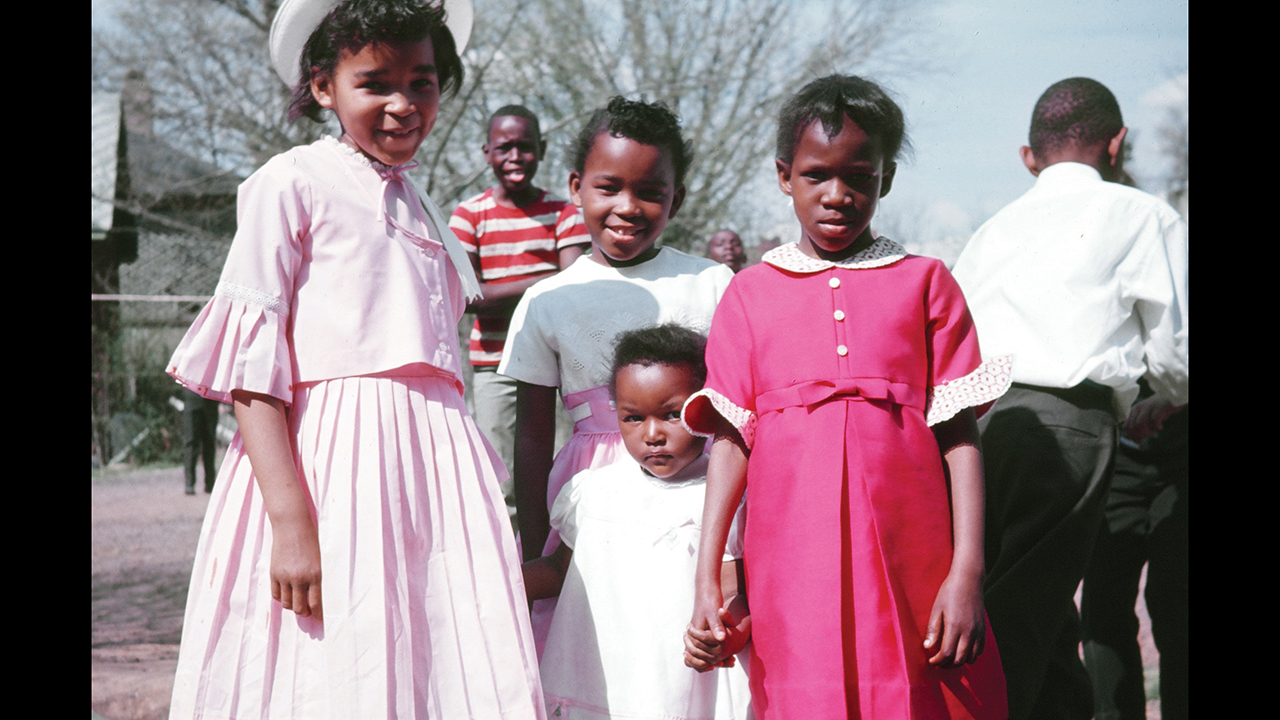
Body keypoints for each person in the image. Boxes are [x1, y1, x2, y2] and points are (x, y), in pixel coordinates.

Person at [163, 1, 545, 717]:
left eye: (423, 82)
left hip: (431, 470)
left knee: (433, 657)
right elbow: (254, 372)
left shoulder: (427, 206)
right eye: (375, 83)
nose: (404, 104)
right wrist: (291, 521)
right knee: (337, 660)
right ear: (321, 87)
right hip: (330, 468)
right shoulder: (293, 181)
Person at [684, 74, 1010, 719]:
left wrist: (965, 572)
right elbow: (729, 443)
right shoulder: (749, 293)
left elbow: (960, 436)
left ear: (885, 179)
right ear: (785, 176)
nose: (838, 196)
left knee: (926, 692)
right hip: (790, 557)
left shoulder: (925, 283)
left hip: (913, 551)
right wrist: (706, 577)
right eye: (815, 176)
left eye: (860, 176)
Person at [950, 77, 1188, 720]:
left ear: (1030, 155)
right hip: (1068, 426)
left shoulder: (994, 230)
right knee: (1023, 613)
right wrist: (1164, 396)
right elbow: (1176, 349)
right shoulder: (1141, 214)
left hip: (981, 429)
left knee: (1044, 609)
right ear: (1117, 144)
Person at [498, 96, 735, 654]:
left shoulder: (713, 283)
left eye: (650, 192)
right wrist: (535, 543)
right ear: (577, 186)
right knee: (595, 639)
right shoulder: (546, 299)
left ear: (675, 198)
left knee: (675, 631)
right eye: (609, 188)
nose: (628, 207)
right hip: (587, 500)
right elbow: (531, 435)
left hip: (692, 486)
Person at [522, 324, 752, 719]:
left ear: (705, 408)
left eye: (672, 416)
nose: (652, 434)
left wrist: (728, 637)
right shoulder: (593, 490)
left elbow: (737, 596)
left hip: (681, 681)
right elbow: (560, 571)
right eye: (632, 418)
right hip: (600, 678)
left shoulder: (722, 498)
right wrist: (490, 581)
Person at [449, 104, 591, 534]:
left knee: (571, 460)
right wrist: (547, 280)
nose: (515, 156)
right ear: (486, 152)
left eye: (525, 147)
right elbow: (469, 294)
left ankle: (557, 557)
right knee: (503, 473)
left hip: (558, 358)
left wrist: (507, 290)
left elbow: (573, 286)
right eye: (504, 147)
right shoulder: (470, 214)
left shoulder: (563, 212)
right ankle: (513, 570)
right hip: (495, 360)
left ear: (542, 151)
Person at [1080, 387, 1188, 720]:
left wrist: (1176, 390)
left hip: (1183, 454)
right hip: (1116, 450)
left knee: (1178, 605)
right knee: (1103, 607)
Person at [181, 387, 219, 494]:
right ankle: (189, 483)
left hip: (210, 400)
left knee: (209, 443)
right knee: (190, 442)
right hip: (191, 400)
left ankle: (210, 483)